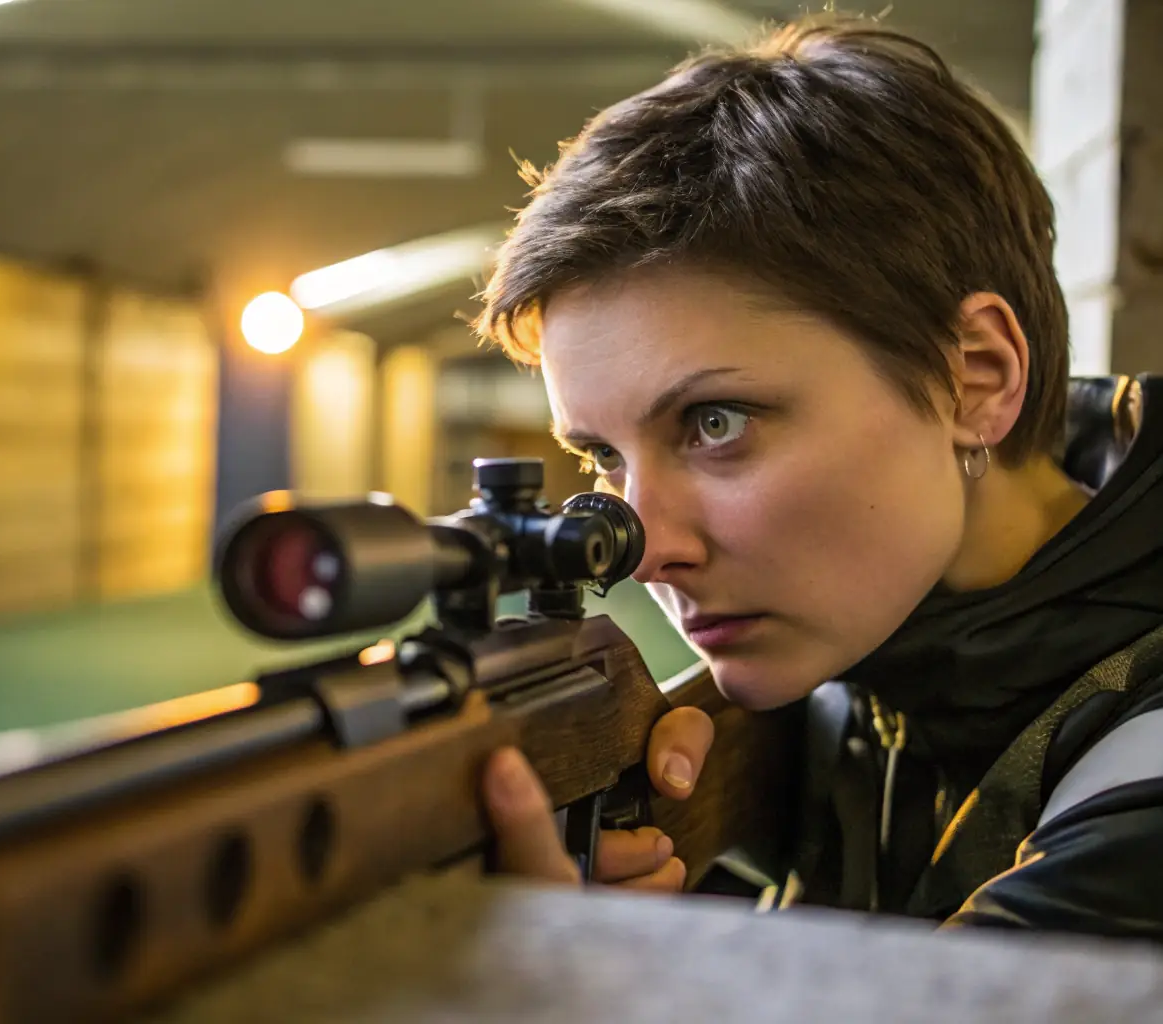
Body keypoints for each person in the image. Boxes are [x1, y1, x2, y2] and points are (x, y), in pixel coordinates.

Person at [470, 15, 1163, 937]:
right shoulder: (868, 642)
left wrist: (572, 975)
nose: (645, 552)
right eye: (602, 456)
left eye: (714, 424)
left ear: (975, 378)